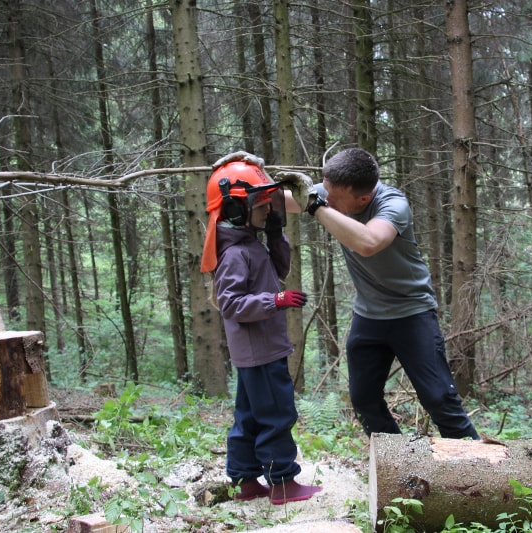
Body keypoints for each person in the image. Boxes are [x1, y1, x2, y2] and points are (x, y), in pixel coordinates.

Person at [276, 147, 479, 439]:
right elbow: (280, 201)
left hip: (412, 314)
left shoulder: (393, 205)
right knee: (364, 401)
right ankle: (399, 467)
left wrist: (316, 205)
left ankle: (476, 472)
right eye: (325, 191)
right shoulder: (330, 192)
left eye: (333, 197)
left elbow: (369, 242)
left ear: (363, 198)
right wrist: (245, 181)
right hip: (368, 316)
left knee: (439, 399)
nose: (326, 197)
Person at [200, 152, 322, 504]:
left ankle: (244, 480)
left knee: (250, 415)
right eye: (262, 205)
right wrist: (276, 301)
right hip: (260, 350)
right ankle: (283, 482)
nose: (269, 208)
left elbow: (278, 271)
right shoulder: (236, 254)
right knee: (277, 414)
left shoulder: (249, 243)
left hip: (256, 349)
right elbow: (232, 304)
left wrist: (275, 232)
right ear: (237, 210)